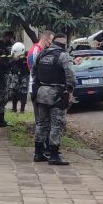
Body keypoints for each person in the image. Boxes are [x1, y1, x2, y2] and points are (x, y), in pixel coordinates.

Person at [31, 32, 76, 165]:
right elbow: (71, 77)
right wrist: (69, 91)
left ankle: (38, 153)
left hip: (41, 94)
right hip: (57, 95)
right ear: (64, 44)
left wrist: (39, 87)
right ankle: (54, 155)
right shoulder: (63, 56)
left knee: (41, 124)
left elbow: (33, 73)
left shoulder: (41, 54)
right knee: (56, 125)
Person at [0, 30, 15, 127]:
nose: (11, 40)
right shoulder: (0, 47)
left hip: (1, 73)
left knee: (0, 97)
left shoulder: (0, 46)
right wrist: (12, 61)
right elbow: (3, 62)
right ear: (6, 37)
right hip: (2, 74)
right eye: (11, 37)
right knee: (2, 97)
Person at [9, 41, 29, 113]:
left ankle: (22, 109)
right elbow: (12, 64)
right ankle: (14, 108)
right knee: (14, 90)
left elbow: (29, 66)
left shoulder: (27, 55)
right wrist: (16, 71)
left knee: (24, 91)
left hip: (25, 74)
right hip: (16, 74)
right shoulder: (13, 54)